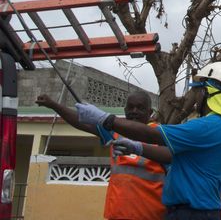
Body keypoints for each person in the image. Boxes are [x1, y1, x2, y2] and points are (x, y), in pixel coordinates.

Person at [75, 61, 221, 220]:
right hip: (204, 211)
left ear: (206, 92)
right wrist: (138, 148)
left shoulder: (207, 127)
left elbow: (151, 134)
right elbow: (171, 155)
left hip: (190, 213)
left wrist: (105, 119)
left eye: (197, 92)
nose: (196, 98)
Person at [36, 90, 166, 220]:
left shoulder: (161, 136)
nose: (135, 111)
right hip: (116, 215)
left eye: (140, 108)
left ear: (150, 112)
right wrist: (54, 105)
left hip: (151, 216)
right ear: (125, 110)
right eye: (131, 107)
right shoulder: (114, 131)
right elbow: (80, 121)